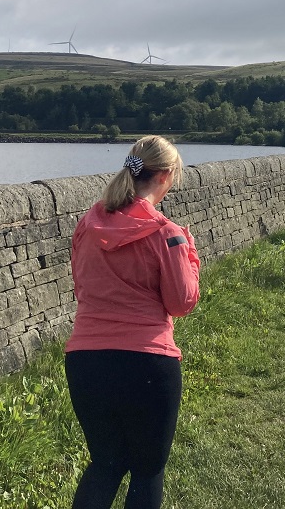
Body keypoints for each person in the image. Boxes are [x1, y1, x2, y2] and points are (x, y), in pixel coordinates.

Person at [64, 135, 201, 509]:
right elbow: (182, 301)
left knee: (105, 464)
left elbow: (82, 287)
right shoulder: (167, 234)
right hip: (148, 361)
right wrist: (189, 255)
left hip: (86, 359)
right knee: (146, 469)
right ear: (167, 176)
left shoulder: (86, 226)